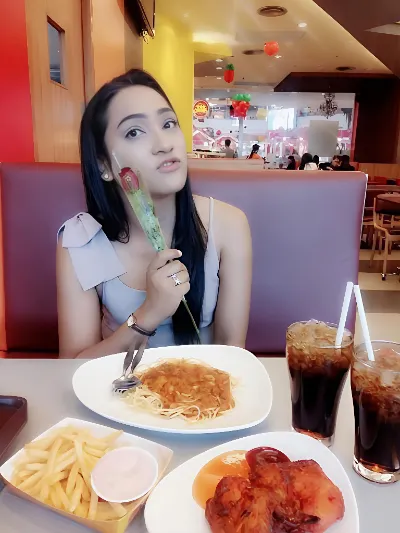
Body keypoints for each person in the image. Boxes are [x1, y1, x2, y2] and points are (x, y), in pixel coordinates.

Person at [57, 69, 252, 359]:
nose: (164, 144)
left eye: (168, 123)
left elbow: (232, 355)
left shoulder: (228, 225)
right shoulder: (81, 240)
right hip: (119, 386)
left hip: (203, 385)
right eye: (134, 132)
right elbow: (72, 367)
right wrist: (150, 312)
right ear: (104, 166)